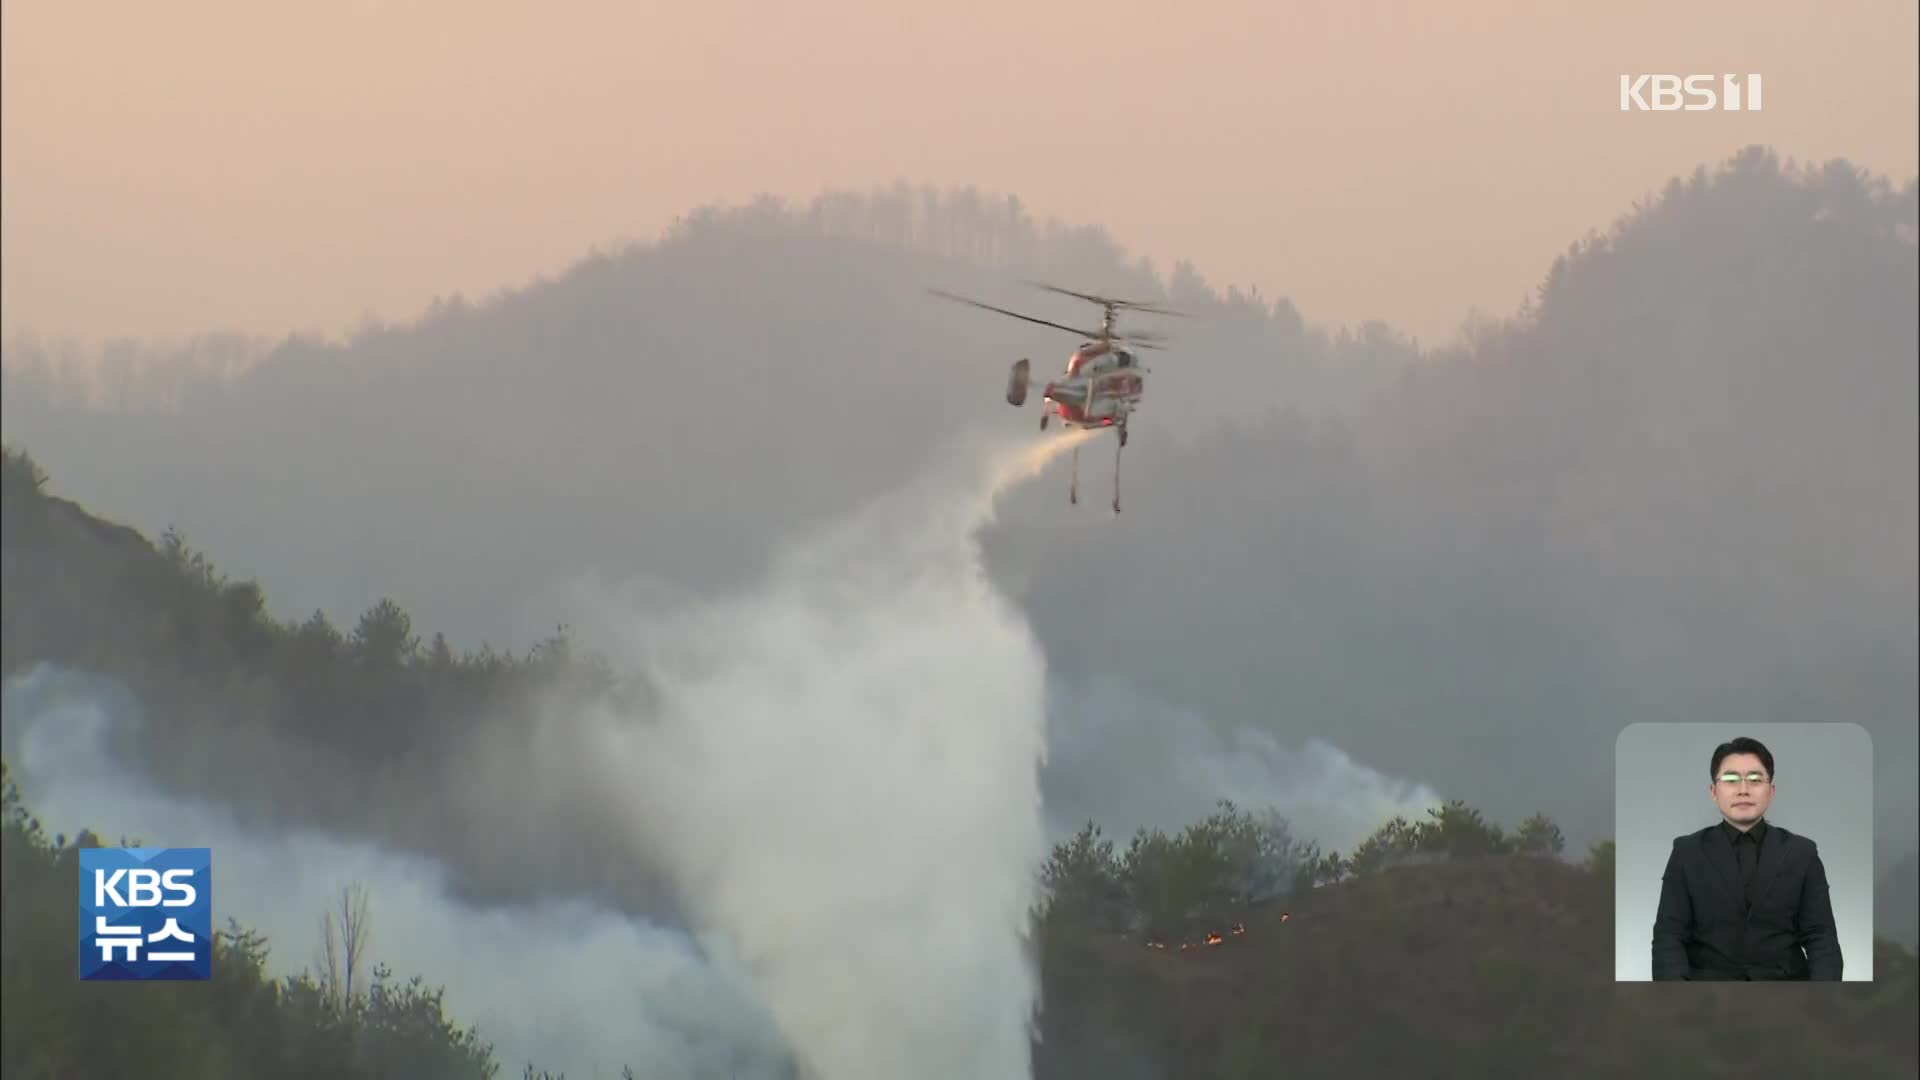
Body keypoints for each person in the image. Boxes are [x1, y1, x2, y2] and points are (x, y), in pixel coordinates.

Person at [1650, 736, 1843, 980]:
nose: (1743, 789)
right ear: (1713, 791)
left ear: (1771, 790)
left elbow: (1821, 937)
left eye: (1755, 779)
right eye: (1731, 779)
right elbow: (1669, 935)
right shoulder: (1686, 852)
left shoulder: (1802, 853)